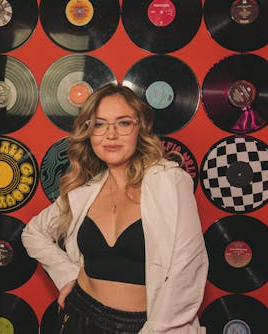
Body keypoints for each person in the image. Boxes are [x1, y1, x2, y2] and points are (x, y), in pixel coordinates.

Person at [21, 83, 208, 333]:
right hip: (79, 315)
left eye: (123, 123)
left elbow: (187, 270)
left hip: (147, 326)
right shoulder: (83, 193)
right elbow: (33, 233)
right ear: (89, 132)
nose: (111, 135)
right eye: (99, 124)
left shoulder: (170, 182)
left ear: (140, 128)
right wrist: (66, 276)